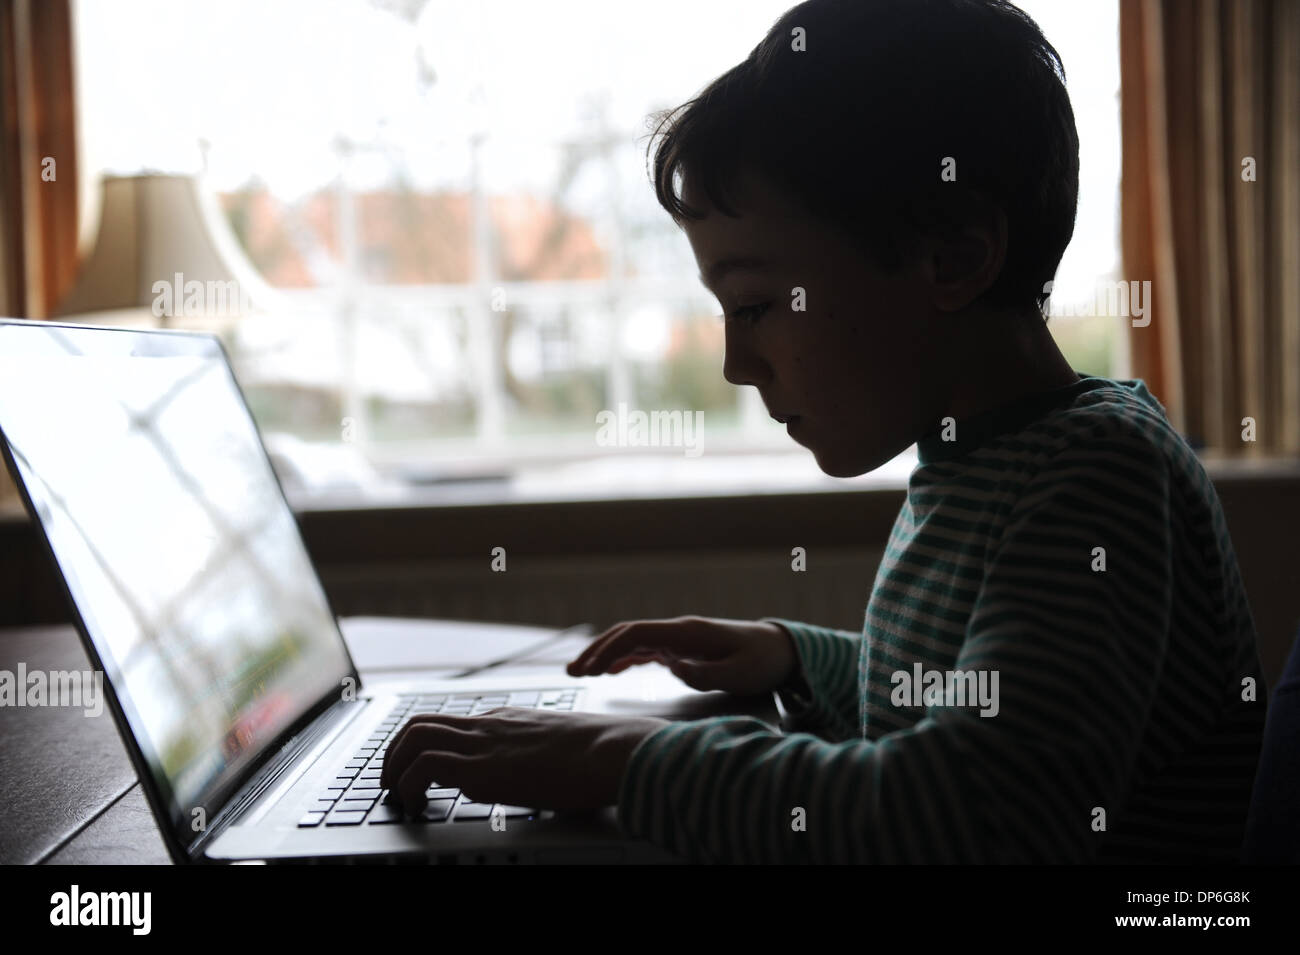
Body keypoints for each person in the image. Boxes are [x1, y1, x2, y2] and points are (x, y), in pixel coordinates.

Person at [382, 0, 1267, 863]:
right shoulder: (985, 460)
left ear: (953, 256)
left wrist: (622, 762)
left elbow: (977, 814)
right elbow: (949, 702)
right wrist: (792, 660)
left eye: (760, 305)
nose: (735, 362)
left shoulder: (1095, 479)